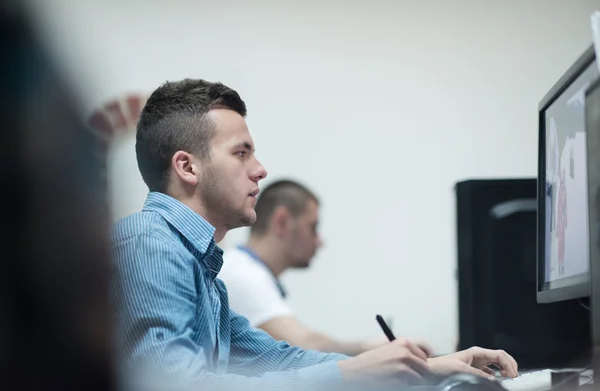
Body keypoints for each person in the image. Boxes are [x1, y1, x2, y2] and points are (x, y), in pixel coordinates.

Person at [110, 78, 519, 390]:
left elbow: (279, 359)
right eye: (241, 152)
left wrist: (428, 368)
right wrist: (355, 369)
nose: (260, 169)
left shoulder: (198, 264)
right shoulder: (151, 244)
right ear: (187, 167)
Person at [219, 179, 430, 356]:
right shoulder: (243, 275)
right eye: (313, 227)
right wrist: (372, 349)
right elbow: (303, 344)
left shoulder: (244, 270)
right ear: (282, 221)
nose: (320, 241)